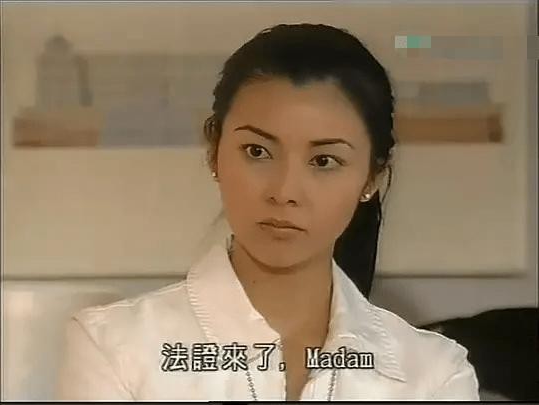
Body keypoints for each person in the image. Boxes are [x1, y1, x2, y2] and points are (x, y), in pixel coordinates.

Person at [55, 23, 480, 401]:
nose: (284, 192)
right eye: (257, 152)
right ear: (215, 152)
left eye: (324, 161)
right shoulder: (114, 347)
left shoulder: (433, 373)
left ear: (372, 177)